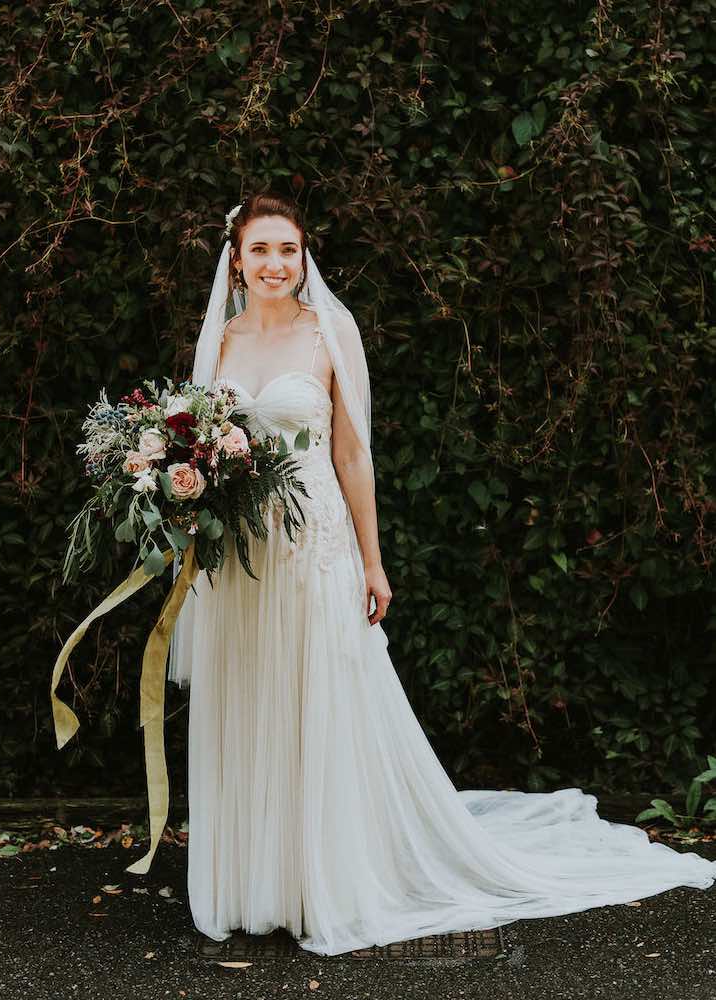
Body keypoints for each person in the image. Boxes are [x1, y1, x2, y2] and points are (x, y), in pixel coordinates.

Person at [168, 192, 715, 956]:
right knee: (252, 698)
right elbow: (198, 447)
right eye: (260, 250)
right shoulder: (219, 343)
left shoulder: (332, 330)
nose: (276, 265)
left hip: (315, 546)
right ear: (236, 259)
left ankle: (319, 882)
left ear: (304, 256)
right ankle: (256, 884)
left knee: (319, 704)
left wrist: (373, 558)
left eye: (288, 249)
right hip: (243, 561)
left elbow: (353, 453)